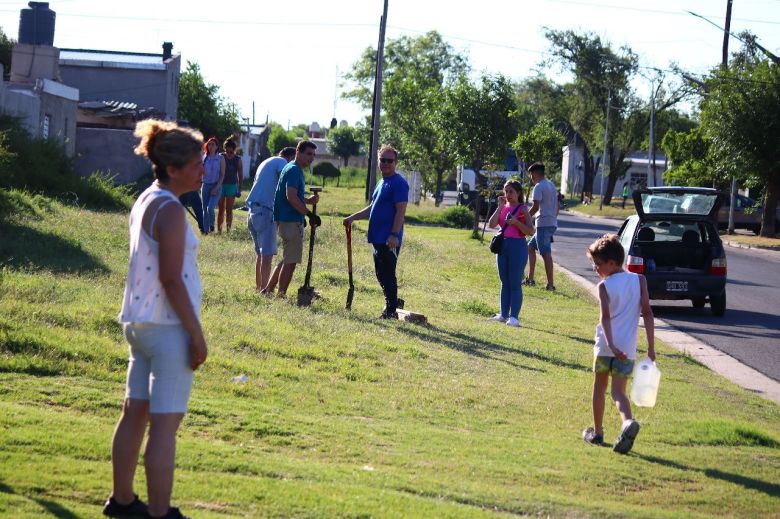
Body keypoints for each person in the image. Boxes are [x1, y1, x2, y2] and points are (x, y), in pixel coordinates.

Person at [104, 120, 207, 519]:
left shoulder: (148, 197)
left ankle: (123, 500)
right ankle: (160, 513)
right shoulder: (170, 211)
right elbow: (171, 279)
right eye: (197, 163)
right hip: (167, 329)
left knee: (135, 412)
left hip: (140, 324)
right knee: (164, 427)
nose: (203, 169)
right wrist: (195, 335)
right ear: (173, 168)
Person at [582, 233, 655, 454]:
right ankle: (627, 422)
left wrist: (611, 345)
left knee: (599, 388)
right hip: (628, 348)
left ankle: (597, 432)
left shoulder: (604, 286)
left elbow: (605, 318)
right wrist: (651, 348)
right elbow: (648, 314)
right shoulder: (639, 280)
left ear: (612, 263)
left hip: (606, 346)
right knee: (618, 393)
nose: (596, 269)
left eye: (598, 264)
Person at [343, 145, 409, 319]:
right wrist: (352, 218)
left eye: (390, 160)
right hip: (377, 238)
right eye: (383, 160)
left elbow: (400, 211)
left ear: (396, 162)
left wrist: (394, 235)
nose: (386, 163)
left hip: (389, 239)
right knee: (380, 273)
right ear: (378, 161)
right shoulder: (381, 183)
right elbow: (372, 208)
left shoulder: (399, 183)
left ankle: (391, 310)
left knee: (387, 274)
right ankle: (394, 302)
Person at [268, 140, 321, 297]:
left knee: (286, 258)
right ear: (298, 152)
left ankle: (269, 289)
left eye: (313, 155)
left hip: (287, 219)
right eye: (308, 154)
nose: (311, 158)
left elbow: (294, 195)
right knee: (290, 262)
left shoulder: (290, 168)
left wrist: (308, 201)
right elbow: (290, 197)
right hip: (290, 221)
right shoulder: (294, 170)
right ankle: (281, 294)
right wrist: (309, 214)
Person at [246, 147, 296, 292]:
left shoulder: (266, 162)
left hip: (253, 211)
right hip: (265, 212)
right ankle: (264, 290)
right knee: (267, 256)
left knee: (261, 255)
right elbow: (286, 184)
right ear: (291, 157)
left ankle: (259, 287)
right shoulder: (282, 163)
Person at [487, 180, 535, 327]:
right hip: (503, 246)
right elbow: (492, 224)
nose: (508, 195)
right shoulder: (503, 207)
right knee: (504, 281)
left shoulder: (522, 209)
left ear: (518, 193)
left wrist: (516, 223)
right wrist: (499, 207)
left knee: (515, 282)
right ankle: (503, 314)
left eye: (511, 192)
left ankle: (514, 317)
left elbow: (530, 231)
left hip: (517, 246)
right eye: (506, 191)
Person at [524, 162, 559, 291]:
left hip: (543, 224)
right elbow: (557, 206)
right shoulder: (551, 185)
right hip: (551, 223)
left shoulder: (538, 187)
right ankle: (530, 278)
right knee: (530, 247)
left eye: (531, 175)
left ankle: (550, 285)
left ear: (536, 173)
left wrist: (524, 218)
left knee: (545, 254)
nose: (531, 178)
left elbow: (535, 207)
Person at [217, 135, 243, 233]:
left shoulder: (238, 159)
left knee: (229, 210)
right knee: (220, 210)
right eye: (227, 151)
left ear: (234, 150)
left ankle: (228, 231)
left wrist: (239, 189)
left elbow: (240, 175)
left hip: (232, 186)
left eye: (231, 152)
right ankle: (219, 231)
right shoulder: (221, 157)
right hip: (221, 185)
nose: (229, 154)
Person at [201, 137, 225, 234]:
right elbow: (200, 171)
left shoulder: (220, 158)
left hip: (216, 185)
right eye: (209, 144)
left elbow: (222, 174)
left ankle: (211, 225)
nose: (211, 146)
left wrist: (217, 187)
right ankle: (206, 231)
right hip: (205, 185)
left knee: (210, 208)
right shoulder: (204, 157)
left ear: (216, 147)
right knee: (205, 209)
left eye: (213, 144)